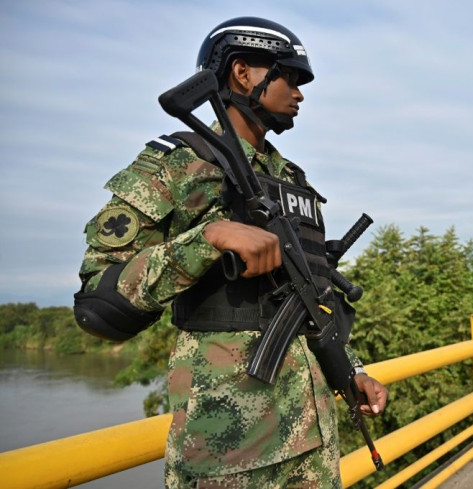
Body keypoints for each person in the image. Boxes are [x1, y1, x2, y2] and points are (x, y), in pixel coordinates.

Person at [73, 17, 387, 489]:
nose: (300, 93)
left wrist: (352, 371)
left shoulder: (292, 182)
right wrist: (207, 239)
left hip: (313, 443)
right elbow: (97, 302)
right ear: (243, 73)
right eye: (291, 77)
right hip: (229, 451)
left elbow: (310, 303)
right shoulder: (176, 164)